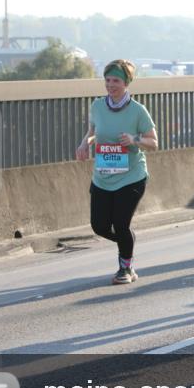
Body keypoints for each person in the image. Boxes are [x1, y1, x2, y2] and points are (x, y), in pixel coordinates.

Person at [75, 60, 158, 284]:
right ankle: (127, 240)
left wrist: (134, 139)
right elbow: (92, 132)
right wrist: (85, 144)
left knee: (120, 223)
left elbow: (154, 142)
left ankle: (126, 268)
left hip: (131, 176)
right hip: (103, 175)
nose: (110, 85)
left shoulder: (138, 111)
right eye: (108, 80)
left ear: (126, 83)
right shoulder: (97, 106)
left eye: (116, 81)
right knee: (100, 226)